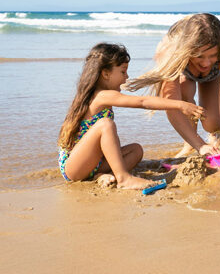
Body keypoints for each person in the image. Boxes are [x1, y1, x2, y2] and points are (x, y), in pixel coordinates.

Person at [57, 42, 204, 190]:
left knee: (136, 150)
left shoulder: (101, 95)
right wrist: (180, 105)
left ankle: (100, 174)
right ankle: (123, 178)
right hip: (74, 167)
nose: (126, 77)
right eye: (123, 72)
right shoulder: (101, 96)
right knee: (105, 124)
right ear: (106, 73)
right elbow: (142, 101)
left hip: (92, 164)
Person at [127, 13, 220, 157]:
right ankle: (189, 146)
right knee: (185, 95)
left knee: (211, 123)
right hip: (183, 69)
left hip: (213, 75)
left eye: (213, 56)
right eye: (199, 56)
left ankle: (214, 140)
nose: (206, 63)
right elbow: (172, 106)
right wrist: (200, 146)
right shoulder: (171, 50)